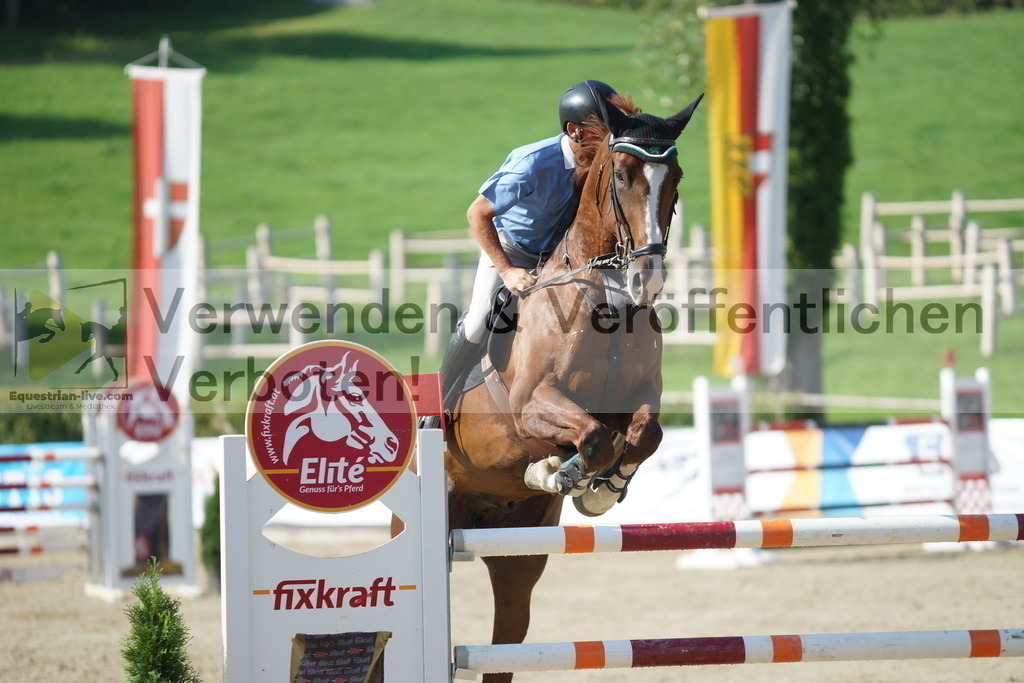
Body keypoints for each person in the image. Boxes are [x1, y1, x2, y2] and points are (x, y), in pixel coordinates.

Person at [440, 80, 619, 407]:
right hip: (511, 250)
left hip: (557, 256)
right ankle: (434, 408)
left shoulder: (604, 162)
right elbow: (477, 213)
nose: (613, 138)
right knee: (480, 318)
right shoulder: (532, 163)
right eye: (605, 129)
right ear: (574, 131)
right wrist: (507, 271)